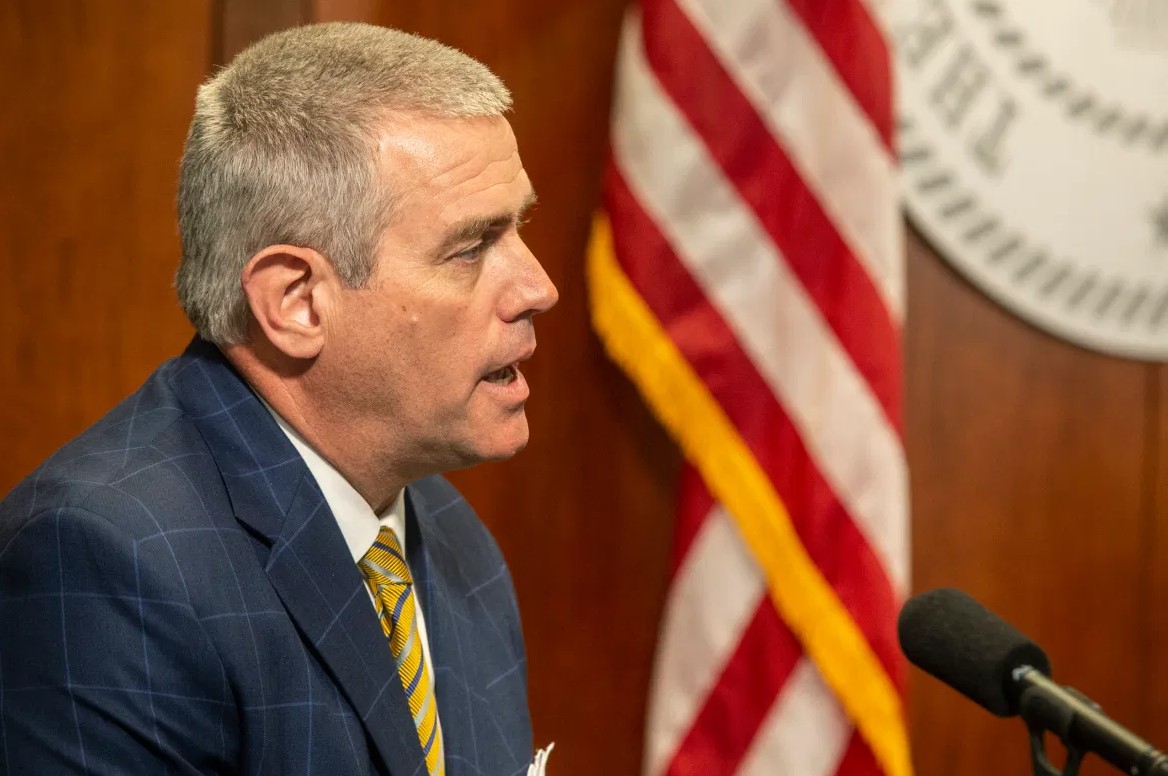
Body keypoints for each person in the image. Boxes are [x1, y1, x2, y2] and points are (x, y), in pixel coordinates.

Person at [0, 21, 558, 776]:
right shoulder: (106, 561)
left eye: (518, 227)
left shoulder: (453, 539)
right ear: (296, 302)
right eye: (469, 249)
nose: (538, 287)